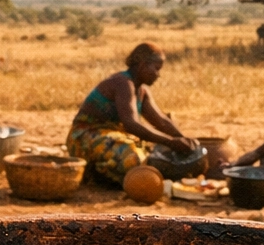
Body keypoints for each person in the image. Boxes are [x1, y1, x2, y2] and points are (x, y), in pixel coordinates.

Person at [67, 42, 198, 185]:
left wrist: (183, 140)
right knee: (134, 157)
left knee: (150, 153)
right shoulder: (123, 83)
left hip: (114, 136)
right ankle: (95, 175)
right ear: (142, 65)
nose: (158, 75)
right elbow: (131, 124)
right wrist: (171, 142)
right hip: (85, 137)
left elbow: (161, 121)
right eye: (156, 68)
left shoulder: (142, 90)